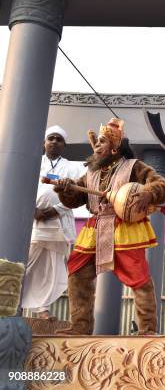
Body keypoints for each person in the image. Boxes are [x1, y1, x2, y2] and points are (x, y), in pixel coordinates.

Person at [53, 118, 165, 335]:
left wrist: (148, 192)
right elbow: (73, 201)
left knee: (139, 278)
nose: (97, 146)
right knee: (77, 273)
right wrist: (65, 189)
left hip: (124, 228)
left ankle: (147, 330)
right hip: (95, 227)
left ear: (115, 147)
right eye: (96, 142)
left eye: (102, 142)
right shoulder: (90, 173)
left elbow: (161, 185)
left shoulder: (134, 167)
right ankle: (80, 327)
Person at [22, 126, 81, 319]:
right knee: (27, 265)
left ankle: (42, 310)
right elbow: (20, 187)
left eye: (58, 139)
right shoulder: (32, 162)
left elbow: (77, 194)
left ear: (64, 145)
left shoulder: (73, 167)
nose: (54, 141)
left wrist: (54, 211)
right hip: (33, 223)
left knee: (51, 269)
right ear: (44, 142)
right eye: (51, 138)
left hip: (59, 223)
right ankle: (16, 304)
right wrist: (33, 210)